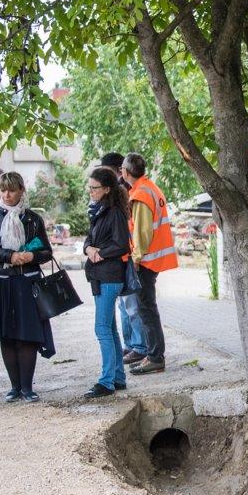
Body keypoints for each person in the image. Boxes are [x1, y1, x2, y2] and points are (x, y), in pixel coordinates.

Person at [0, 171, 55, 402]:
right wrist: (9, 256)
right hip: (1, 281)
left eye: (11, 190)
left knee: (27, 335)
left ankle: (27, 388)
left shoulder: (33, 218)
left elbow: (46, 252)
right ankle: (14, 387)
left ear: (21, 190)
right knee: (7, 335)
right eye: (3, 190)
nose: (7, 194)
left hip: (28, 281)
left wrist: (30, 255)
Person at [121, 153, 178, 375]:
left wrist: (136, 258)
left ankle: (155, 357)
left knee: (146, 309)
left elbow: (142, 232)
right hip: (151, 258)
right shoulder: (149, 187)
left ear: (125, 172)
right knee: (147, 309)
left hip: (146, 261)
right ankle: (152, 355)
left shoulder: (141, 194)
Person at [82, 166, 133, 398]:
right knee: (110, 328)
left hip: (109, 275)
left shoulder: (114, 212)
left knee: (101, 328)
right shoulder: (100, 210)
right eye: (90, 187)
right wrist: (89, 248)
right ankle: (117, 377)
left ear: (107, 189)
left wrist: (99, 252)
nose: (90, 191)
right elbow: (89, 240)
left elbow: (122, 244)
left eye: (95, 188)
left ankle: (106, 381)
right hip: (101, 275)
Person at [100, 152, 146, 364]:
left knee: (132, 305)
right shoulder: (117, 191)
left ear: (118, 170)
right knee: (124, 306)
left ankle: (139, 345)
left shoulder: (128, 191)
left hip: (130, 256)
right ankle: (131, 345)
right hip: (123, 256)